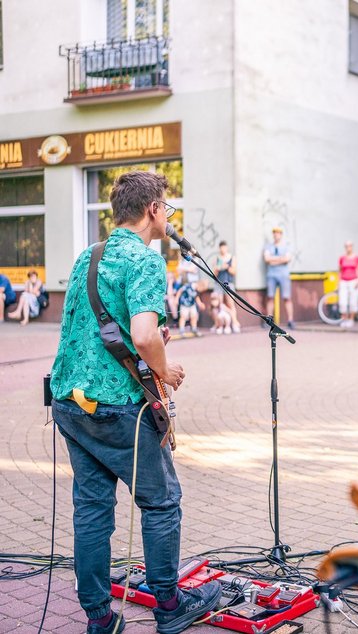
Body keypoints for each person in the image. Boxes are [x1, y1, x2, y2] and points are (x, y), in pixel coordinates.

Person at [49, 171, 221, 634]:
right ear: (153, 210)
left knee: (91, 507)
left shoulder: (89, 255)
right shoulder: (146, 260)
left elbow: (92, 329)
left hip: (69, 401)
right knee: (162, 502)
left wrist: (144, 343)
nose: (167, 214)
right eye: (165, 205)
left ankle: (99, 617)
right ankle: (170, 606)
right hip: (119, 406)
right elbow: (144, 335)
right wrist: (164, 370)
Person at [263, 226, 294, 329]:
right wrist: (280, 259)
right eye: (275, 233)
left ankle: (290, 320)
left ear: (281, 235)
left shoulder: (286, 247)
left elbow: (287, 259)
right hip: (271, 275)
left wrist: (273, 260)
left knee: (287, 298)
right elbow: (267, 259)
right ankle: (269, 321)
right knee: (270, 297)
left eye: (278, 233)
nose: (276, 235)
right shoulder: (268, 247)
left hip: (283, 275)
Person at [210, 240, 241, 332]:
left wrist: (227, 267)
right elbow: (214, 274)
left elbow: (234, 272)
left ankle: (234, 323)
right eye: (221, 247)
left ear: (226, 248)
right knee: (218, 304)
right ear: (219, 248)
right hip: (218, 283)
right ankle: (217, 324)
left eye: (224, 247)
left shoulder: (232, 258)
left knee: (231, 304)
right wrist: (219, 268)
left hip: (229, 283)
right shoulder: (217, 258)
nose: (223, 249)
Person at [338, 240, 358, 329]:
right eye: (347, 246)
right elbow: (340, 270)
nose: (348, 248)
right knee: (343, 301)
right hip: (344, 281)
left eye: (350, 246)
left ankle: (351, 319)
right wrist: (338, 282)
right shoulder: (342, 258)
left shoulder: (357, 258)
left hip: (354, 281)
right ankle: (344, 318)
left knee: (353, 301)